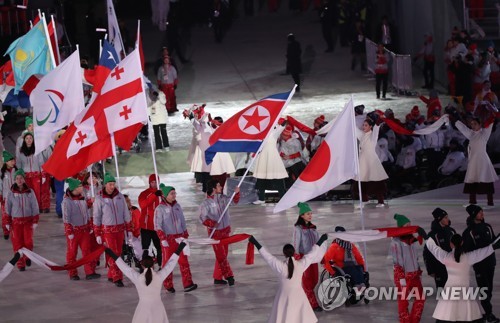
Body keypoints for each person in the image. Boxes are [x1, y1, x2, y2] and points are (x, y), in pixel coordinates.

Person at [248, 234, 328, 323]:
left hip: (283, 297)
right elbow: (312, 254)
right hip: (299, 296)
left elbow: (268, 257)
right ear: (294, 252)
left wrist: (255, 242)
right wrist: (321, 240)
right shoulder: (301, 265)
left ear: (284, 253)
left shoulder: (280, 266)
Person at [426, 233, 500, 323]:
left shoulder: (446, 257)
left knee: (446, 314)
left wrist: (427, 238)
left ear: (451, 244)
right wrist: (493, 247)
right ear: (462, 243)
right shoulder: (468, 257)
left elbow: (434, 249)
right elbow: (481, 252)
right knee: (467, 314)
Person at [104, 242, 185, 323]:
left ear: (142, 265)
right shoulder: (159, 276)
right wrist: (179, 250)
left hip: (143, 309)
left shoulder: (138, 278)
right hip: (158, 309)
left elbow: (125, 268)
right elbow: (170, 265)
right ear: (153, 265)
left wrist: (112, 254)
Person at [154, 184, 197, 293]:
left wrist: (185, 234)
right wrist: (162, 238)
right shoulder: (160, 209)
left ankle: (188, 283)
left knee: (184, 261)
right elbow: (157, 225)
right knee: (168, 263)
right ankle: (168, 284)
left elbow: (182, 221)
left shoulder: (177, 206)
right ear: (165, 195)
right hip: (168, 240)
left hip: (180, 239)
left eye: (175, 193)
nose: (174, 195)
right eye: (172, 193)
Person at [93, 173, 132, 287]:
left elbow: (126, 213)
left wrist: (129, 229)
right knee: (114, 253)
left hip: (119, 229)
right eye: (110, 184)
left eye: (113, 184)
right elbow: (96, 216)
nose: (112, 186)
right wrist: (97, 233)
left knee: (118, 252)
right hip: (108, 231)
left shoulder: (119, 196)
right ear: (105, 184)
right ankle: (117, 277)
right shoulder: (99, 198)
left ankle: (111, 274)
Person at [462, 204, 499, 323]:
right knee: (484, 290)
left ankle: (486, 312)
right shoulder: (468, 232)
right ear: (473, 215)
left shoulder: (487, 226)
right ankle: (488, 314)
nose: (482, 214)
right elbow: (467, 252)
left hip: (490, 263)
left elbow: (493, 242)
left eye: (482, 211)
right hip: (480, 266)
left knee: (489, 290)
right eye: (479, 212)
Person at [199, 179, 240, 286]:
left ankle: (217, 278)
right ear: (213, 188)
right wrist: (212, 224)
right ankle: (229, 276)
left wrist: (236, 193)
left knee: (223, 255)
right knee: (221, 256)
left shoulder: (223, 198)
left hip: (225, 231)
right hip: (215, 234)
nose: (221, 187)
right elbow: (202, 218)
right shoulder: (206, 203)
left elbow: (234, 202)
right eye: (218, 186)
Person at [62, 178, 100, 281]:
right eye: (79, 186)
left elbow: (85, 211)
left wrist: (90, 202)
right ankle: (72, 272)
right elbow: (66, 217)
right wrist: (69, 231)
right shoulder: (67, 201)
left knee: (87, 251)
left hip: (84, 230)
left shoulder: (82, 198)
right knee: (72, 252)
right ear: (74, 188)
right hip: (74, 232)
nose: (81, 187)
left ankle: (89, 271)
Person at [390, 213, 425, 323]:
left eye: (410, 224)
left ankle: (414, 320)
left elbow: (415, 257)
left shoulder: (412, 239)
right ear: (401, 227)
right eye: (407, 225)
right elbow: (396, 260)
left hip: (414, 274)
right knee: (403, 301)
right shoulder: (396, 241)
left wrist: (417, 269)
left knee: (420, 298)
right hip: (403, 276)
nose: (410, 226)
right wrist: (401, 277)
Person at [455, 117, 498, 206]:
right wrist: (455, 120)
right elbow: (463, 128)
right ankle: (472, 201)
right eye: (471, 124)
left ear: (480, 124)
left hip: (483, 160)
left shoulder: (484, 133)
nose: (473, 126)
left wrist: (492, 118)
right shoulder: (471, 134)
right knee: (472, 179)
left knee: (486, 179)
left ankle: (490, 202)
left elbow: (490, 124)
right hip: (474, 160)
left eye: (475, 124)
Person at [5, 169, 39, 272]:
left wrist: (35, 220)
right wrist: (7, 221)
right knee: (18, 244)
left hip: (28, 222)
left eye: (21, 178)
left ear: (24, 179)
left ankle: (28, 257)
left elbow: (35, 206)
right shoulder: (10, 193)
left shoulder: (30, 192)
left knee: (28, 242)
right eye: (17, 178)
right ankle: (21, 264)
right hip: (16, 223)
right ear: (14, 180)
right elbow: (7, 208)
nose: (19, 180)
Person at [292, 202, 322, 312]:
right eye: (307, 213)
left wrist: (322, 255)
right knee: (308, 282)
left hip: (314, 257)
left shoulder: (313, 228)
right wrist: (296, 255)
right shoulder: (298, 228)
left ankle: (303, 299)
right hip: (304, 258)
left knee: (314, 280)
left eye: (311, 213)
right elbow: (295, 242)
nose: (310, 215)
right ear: (301, 215)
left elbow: (319, 243)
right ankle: (313, 304)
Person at [353, 118, 389, 207]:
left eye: (366, 125)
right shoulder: (362, 135)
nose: (363, 127)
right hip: (363, 160)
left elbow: (376, 131)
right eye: (363, 125)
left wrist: (377, 125)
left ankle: (381, 201)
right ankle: (365, 200)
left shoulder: (372, 136)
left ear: (370, 127)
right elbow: (355, 130)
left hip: (371, 161)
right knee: (362, 180)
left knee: (376, 181)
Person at [252, 122, 288, 205]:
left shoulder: (274, 133)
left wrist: (285, 120)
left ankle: (283, 198)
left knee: (278, 178)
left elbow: (282, 126)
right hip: (262, 157)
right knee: (261, 178)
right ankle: (261, 198)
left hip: (272, 157)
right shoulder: (261, 134)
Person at [16, 132, 51, 213]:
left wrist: (43, 174)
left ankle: (36, 208)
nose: (29, 140)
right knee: (26, 192)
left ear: (33, 140)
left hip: (36, 175)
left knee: (36, 193)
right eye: (27, 138)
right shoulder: (21, 152)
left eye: (30, 138)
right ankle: (27, 208)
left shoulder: (36, 150)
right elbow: (19, 163)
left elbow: (41, 162)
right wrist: (20, 174)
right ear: (24, 140)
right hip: (26, 175)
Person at [423, 208, 456, 288]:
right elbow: (427, 253)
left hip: (452, 268)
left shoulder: (451, 231)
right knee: (442, 294)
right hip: (439, 269)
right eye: (445, 217)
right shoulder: (432, 235)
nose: (448, 219)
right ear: (439, 219)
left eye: (447, 217)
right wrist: (430, 270)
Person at [138, 174, 163, 266]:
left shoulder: (162, 194)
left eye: (156, 182)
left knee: (159, 247)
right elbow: (143, 205)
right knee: (145, 247)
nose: (154, 184)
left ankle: (161, 265)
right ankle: (144, 266)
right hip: (146, 226)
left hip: (158, 226)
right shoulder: (144, 194)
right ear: (149, 183)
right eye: (152, 182)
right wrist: (154, 195)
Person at [278, 125, 306, 189]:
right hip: (286, 165)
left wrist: (290, 156)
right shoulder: (281, 142)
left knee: (299, 180)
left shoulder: (295, 141)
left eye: (283, 135)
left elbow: (300, 153)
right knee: (288, 183)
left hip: (296, 164)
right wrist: (282, 155)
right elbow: (279, 151)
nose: (282, 136)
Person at [0, 151, 17, 240]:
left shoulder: (17, 171)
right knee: (5, 216)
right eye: (11, 161)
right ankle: (6, 232)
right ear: (6, 162)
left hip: (16, 197)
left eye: (13, 160)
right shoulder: (2, 173)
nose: (13, 162)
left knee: (15, 215)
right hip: (6, 198)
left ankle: (14, 232)